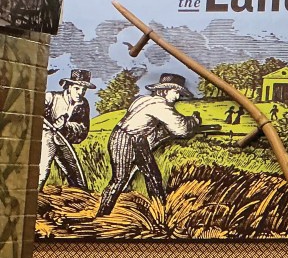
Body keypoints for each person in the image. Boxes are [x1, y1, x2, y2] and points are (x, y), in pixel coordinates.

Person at [97, 73, 202, 216]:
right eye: (176, 92)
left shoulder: (143, 99)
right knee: (120, 179)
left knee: (153, 175)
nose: (178, 96)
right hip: (124, 139)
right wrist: (194, 121)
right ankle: (102, 215)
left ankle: (160, 213)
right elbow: (180, 129)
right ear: (165, 91)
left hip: (137, 139)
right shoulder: (160, 105)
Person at [38, 69, 94, 190]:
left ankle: (81, 194)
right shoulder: (51, 97)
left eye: (84, 90)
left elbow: (83, 129)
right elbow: (34, 111)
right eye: (77, 88)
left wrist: (66, 125)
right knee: (42, 171)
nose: (81, 93)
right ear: (69, 86)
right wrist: (49, 121)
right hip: (46, 136)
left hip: (63, 139)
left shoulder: (83, 105)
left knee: (76, 176)